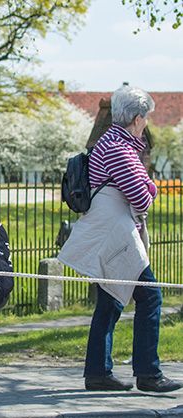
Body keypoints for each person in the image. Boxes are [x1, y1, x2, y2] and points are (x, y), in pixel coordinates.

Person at [59, 86, 182, 393]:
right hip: (116, 232)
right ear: (138, 117)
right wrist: (151, 187)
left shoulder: (116, 142)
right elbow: (142, 197)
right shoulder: (119, 147)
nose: (147, 122)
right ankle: (148, 374)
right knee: (149, 295)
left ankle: (99, 372)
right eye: (147, 117)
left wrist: (146, 184)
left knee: (111, 299)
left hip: (111, 228)